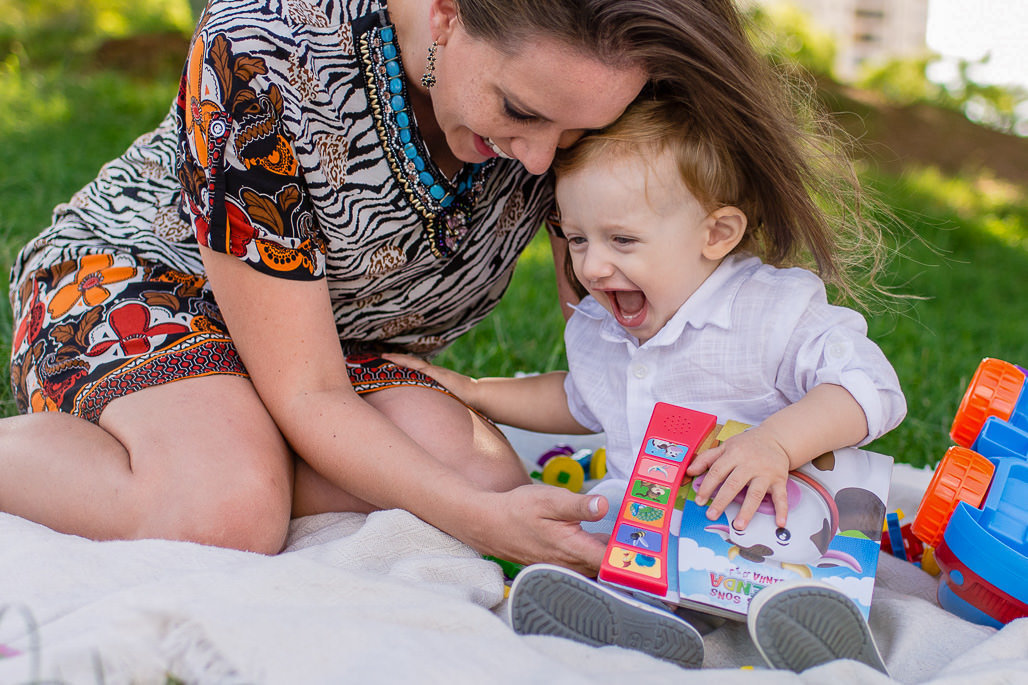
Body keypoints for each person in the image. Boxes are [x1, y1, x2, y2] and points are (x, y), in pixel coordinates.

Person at [0, 0, 832, 575]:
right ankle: (216, 451)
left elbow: (641, 339)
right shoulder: (266, 48)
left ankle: (227, 433)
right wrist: (476, 527)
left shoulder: (579, 91)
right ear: (447, 12)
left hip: (340, 343)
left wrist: (764, 424)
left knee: (486, 480)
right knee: (225, 510)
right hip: (142, 285)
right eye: (519, 109)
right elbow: (312, 389)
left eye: (578, 133)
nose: (543, 161)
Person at [387, 97, 904, 671]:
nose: (592, 267)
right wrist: (479, 392)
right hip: (649, 521)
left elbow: (871, 387)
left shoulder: (770, 310)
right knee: (581, 533)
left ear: (717, 233)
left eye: (622, 241)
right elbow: (580, 399)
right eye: (578, 239)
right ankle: (637, 618)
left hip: (772, 527)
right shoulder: (603, 325)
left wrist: (776, 444)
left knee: (805, 567)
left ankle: (822, 631)